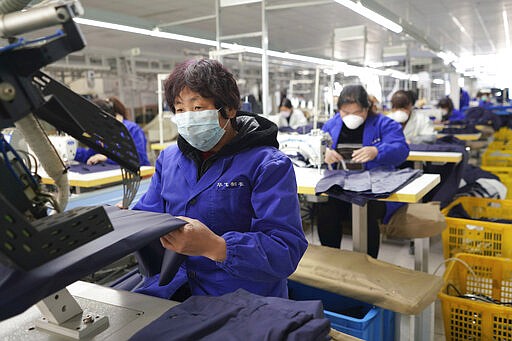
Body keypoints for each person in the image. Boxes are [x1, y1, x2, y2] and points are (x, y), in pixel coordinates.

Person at [132, 58, 307, 300]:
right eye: (180, 110)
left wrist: (216, 247)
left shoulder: (268, 164)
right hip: (174, 285)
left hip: (242, 296)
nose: (187, 118)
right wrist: (124, 221)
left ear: (229, 109)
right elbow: (147, 216)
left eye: (197, 108)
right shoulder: (169, 159)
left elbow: (286, 250)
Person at [318, 85, 409, 258]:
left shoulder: (384, 124)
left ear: (367, 108)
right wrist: (325, 154)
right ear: (339, 110)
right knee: (326, 211)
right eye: (345, 112)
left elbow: (402, 149)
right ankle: (330, 262)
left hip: (372, 191)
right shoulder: (331, 125)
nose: (351, 117)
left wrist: (377, 151)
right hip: (341, 188)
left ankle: (367, 264)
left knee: (366, 212)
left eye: (357, 112)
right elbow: (319, 145)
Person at [74, 97, 151, 166]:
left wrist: (107, 159)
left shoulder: (132, 129)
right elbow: (90, 155)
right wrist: (70, 152)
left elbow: (140, 159)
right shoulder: (101, 134)